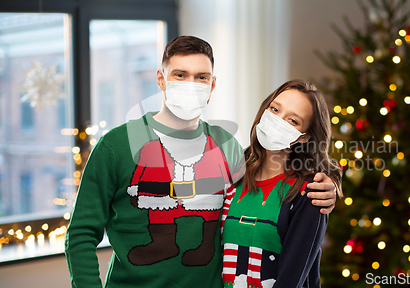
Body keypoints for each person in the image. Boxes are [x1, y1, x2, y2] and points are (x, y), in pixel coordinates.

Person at [65, 36, 337, 288]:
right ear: (161, 79)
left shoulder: (227, 146)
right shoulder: (115, 146)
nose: (190, 84)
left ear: (212, 85)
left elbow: (275, 171)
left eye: (201, 77)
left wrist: (330, 185)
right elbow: (80, 235)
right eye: (180, 75)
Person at [221, 79, 342, 288]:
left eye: (293, 121)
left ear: (304, 137)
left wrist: (334, 178)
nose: (278, 120)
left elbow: (292, 278)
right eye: (275, 109)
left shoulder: (310, 193)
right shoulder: (230, 173)